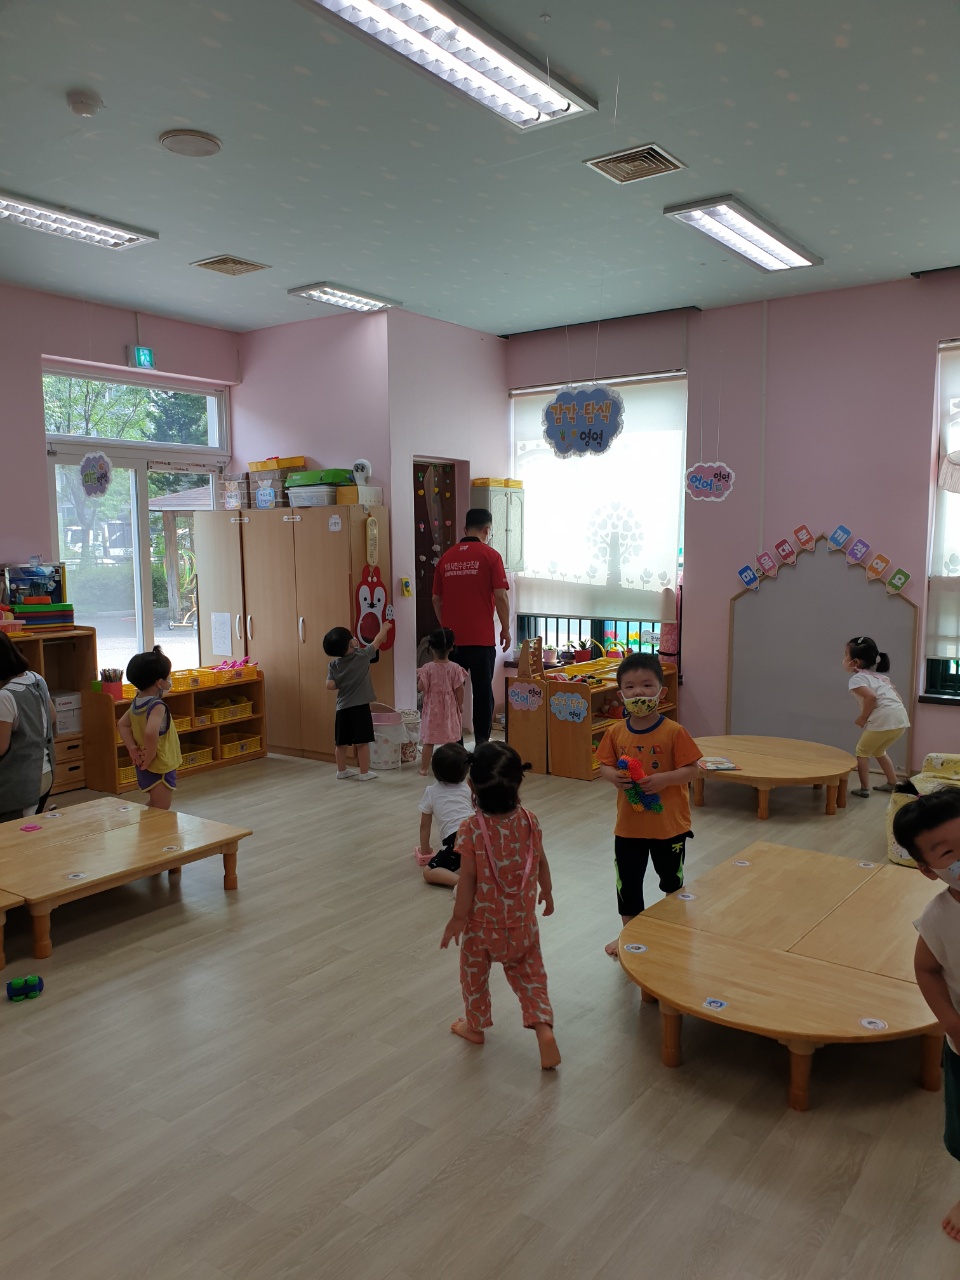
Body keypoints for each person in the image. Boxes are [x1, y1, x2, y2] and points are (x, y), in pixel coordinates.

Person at [440, 741, 560, 1070]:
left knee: (474, 978)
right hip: (522, 925)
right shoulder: (530, 821)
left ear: (470, 786)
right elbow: (541, 861)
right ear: (519, 782)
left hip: (481, 928)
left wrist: (458, 918)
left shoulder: (471, 829)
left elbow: (467, 879)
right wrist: (547, 891)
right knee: (531, 977)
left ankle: (475, 1027)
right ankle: (543, 1028)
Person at [595, 654, 702, 957]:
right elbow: (603, 764)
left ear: (661, 692)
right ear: (621, 695)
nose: (638, 692)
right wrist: (613, 776)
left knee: (672, 882)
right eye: (630, 687)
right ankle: (629, 936)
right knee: (628, 884)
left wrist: (665, 779)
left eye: (646, 685)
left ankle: (672, 930)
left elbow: (694, 770)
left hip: (669, 827)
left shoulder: (674, 732)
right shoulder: (616, 732)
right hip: (629, 827)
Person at [892, 788, 960, 1243]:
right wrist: (950, 1023)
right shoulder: (939, 917)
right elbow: (926, 968)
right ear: (928, 869)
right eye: (949, 853)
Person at [432, 508, 510, 746]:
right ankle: (482, 744)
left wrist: (445, 627)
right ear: (487, 530)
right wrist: (505, 628)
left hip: (452, 642)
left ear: (465, 529)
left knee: (451, 694)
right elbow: (501, 597)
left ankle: (455, 745)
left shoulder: (446, 558)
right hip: (481, 640)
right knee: (483, 693)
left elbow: (436, 599)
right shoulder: (491, 556)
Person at [323, 618, 392, 781]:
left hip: (342, 709)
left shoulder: (334, 665)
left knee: (341, 743)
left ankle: (341, 771)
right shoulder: (362, 656)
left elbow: (329, 685)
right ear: (352, 644)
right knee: (362, 742)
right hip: (360, 708)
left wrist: (341, 681)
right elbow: (377, 641)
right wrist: (384, 628)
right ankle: (364, 773)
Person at [843, 635, 910, 798]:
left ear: (855, 662)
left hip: (884, 719)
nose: (844, 659)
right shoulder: (881, 677)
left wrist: (863, 718)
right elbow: (898, 698)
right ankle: (892, 782)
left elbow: (871, 697)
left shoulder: (857, 679)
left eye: (846, 655)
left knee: (862, 751)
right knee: (879, 750)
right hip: (900, 719)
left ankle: (864, 788)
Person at [118, 645, 182, 811]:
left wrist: (132, 748)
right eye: (168, 677)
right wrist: (151, 755)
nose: (170, 680)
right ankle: (146, 827)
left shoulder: (137, 702)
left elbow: (122, 724)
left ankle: (142, 825)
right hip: (159, 763)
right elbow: (150, 732)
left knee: (155, 803)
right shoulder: (157, 706)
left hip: (144, 761)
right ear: (159, 683)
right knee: (162, 806)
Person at [0, 632, 55, 822]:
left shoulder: (6, 696)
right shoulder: (36, 679)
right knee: (30, 827)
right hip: (45, 771)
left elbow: (1, 747)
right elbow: (52, 715)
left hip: (22, 781)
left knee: (14, 833)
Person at [416, 742, 472, 888]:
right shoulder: (468, 789)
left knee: (429, 872)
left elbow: (424, 825)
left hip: (457, 840)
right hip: (477, 833)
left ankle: (462, 883)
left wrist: (425, 850)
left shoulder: (431, 791)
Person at [417, 626, 466, 776]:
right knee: (451, 739)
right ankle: (453, 767)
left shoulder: (427, 668)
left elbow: (421, 687)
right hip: (450, 709)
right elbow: (460, 690)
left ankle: (424, 768)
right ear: (451, 647)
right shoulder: (455, 668)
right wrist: (460, 705)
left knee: (428, 741)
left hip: (432, 710)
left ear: (431, 647)